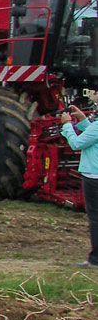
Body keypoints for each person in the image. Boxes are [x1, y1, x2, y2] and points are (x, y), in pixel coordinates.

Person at [61, 102, 98, 266]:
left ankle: (95, 259)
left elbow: (76, 144)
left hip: (93, 175)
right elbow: (93, 136)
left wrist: (67, 125)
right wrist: (83, 120)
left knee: (95, 218)